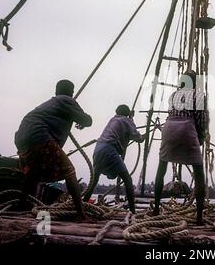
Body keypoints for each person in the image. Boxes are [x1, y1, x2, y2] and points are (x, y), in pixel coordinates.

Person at [15, 79, 92, 221]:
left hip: (22, 137)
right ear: (70, 91)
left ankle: (21, 205)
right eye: (72, 91)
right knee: (70, 171)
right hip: (38, 134)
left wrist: (76, 118)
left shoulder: (53, 103)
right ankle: (81, 214)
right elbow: (88, 120)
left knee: (33, 173)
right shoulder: (66, 100)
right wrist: (81, 120)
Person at [153, 70, 208, 225]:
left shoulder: (173, 96)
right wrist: (200, 137)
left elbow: (171, 113)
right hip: (186, 128)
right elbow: (201, 120)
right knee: (198, 173)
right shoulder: (199, 95)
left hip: (169, 127)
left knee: (162, 167)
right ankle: (198, 218)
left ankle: (156, 209)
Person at [87, 105, 144, 212]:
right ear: (127, 114)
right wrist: (132, 120)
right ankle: (132, 211)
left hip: (99, 148)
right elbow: (138, 138)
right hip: (109, 149)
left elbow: (126, 130)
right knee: (127, 179)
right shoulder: (127, 121)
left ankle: (84, 204)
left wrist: (130, 118)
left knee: (94, 180)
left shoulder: (113, 119)